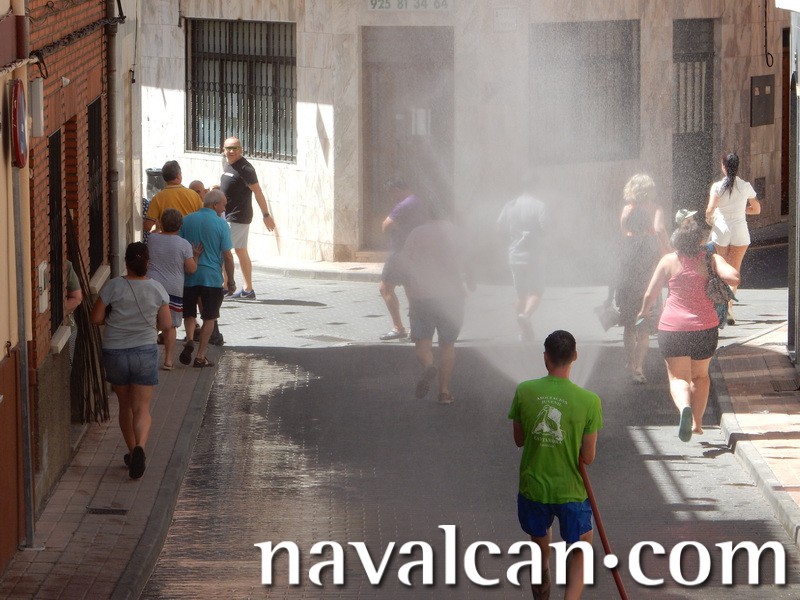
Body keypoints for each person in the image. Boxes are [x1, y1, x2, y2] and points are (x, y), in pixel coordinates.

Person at [508, 330, 602, 600]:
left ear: (545, 357)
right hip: (571, 491)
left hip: (534, 487)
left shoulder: (524, 390)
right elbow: (588, 457)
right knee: (581, 549)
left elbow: (519, 440)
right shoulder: (589, 400)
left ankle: (541, 583)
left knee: (540, 549)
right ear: (575, 357)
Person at [639, 218, 739, 442]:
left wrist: (643, 313)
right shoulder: (710, 259)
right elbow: (734, 277)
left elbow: (650, 294)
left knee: (678, 378)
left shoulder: (668, 260)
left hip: (672, 328)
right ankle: (697, 424)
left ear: (677, 241)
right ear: (700, 241)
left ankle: (684, 407)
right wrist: (717, 269)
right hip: (705, 328)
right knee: (701, 377)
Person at [90, 242, 171, 479]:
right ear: (148, 263)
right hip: (144, 351)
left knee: (125, 406)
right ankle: (140, 448)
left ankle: (132, 451)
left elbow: (96, 318)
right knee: (142, 408)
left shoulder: (113, 286)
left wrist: (112, 321)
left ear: (126, 262)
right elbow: (166, 324)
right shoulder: (157, 288)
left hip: (115, 351)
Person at [398, 211, 471, 404]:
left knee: (423, 345)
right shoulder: (455, 233)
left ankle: (429, 365)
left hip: (422, 296)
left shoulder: (416, 233)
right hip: (452, 297)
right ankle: (444, 392)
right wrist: (470, 280)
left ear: (427, 213)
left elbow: (404, 264)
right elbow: (467, 260)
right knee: (448, 345)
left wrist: (410, 288)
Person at [615, 174, 667, 384]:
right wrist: (668, 253)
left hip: (628, 282)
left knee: (629, 326)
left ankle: (630, 363)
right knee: (644, 327)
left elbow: (624, 234)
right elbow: (659, 230)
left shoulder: (627, 210)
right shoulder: (655, 210)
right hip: (648, 280)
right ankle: (638, 367)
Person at [179, 189, 236, 368]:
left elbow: (180, 245)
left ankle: (190, 339)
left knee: (189, 313)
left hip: (189, 275)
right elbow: (228, 256)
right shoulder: (221, 224)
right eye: (223, 205)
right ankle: (200, 356)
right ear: (215, 205)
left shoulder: (187, 219)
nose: (224, 208)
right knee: (209, 317)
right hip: (211, 278)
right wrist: (231, 280)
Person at [704, 152, 761, 324]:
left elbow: (710, 210)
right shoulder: (745, 186)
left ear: (723, 167)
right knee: (734, 270)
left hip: (721, 230)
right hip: (740, 231)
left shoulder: (717, 187)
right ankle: (729, 306)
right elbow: (757, 209)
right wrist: (741, 210)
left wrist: (709, 219)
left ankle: (719, 307)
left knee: (720, 270)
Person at [220, 136, 276, 299]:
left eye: (235, 148)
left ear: (241, 150)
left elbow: (257, 191)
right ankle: (246, 289)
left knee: (224, 250)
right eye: (228, 148)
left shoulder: (246, 168)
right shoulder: (227, 164)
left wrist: (266, 215)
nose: (231, 151)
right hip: (226, 214)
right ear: (223, 149)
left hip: (238, 216)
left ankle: (226, 286)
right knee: (240, 250)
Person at [146, 208, 201, 370]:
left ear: (162, 223)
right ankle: (168, 361)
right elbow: (191, 269)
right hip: (173, 288)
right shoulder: (184, 244)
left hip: (152, 286)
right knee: (170, 325)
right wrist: (196, 255)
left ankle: (147, 360)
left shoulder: (152, 239)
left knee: (150, 322)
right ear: (180, 225)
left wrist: (157, 227)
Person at [496, 172, 547, 342]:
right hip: (534, 255)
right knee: (536, 291)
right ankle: (526, 316)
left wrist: (511, 241)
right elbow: (545, 228)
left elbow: (499, 228)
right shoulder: (539, 206)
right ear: (536, 186)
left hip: (515, 255)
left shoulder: (510, 205)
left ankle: (525, 332)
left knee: (520, 293)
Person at [378, 178, 430, 341]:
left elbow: (385, 226)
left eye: (391, 193)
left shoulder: (404, 205)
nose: (391, 197)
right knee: (411, 290)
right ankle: (415, 330)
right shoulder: (418, 202)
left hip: (399, 253)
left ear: (397, 189)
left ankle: (398, 327)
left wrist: (394, 229)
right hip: (414, 253)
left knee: (385, 288)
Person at [143, 160, 203, 233]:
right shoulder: (194, 195)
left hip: (168, 238)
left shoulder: (157, 198)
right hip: (189, 237)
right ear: (178, 176)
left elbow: (147, 226)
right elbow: (202, 220)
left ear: (164, 178)